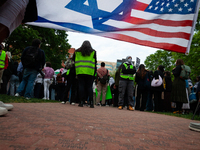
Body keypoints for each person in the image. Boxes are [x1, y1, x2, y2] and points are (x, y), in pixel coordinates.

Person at [72, 40, 97, 108]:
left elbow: (73, 60)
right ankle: (91, 103)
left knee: (81, 86)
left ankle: (81, 102)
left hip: (80, 71)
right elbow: (95, 63)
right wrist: (95, 73)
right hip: (90, 71)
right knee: (89, 87)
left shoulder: (77, 52)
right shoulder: (93, 52)